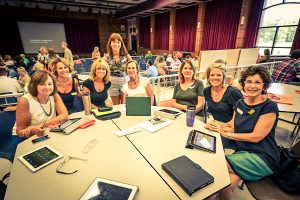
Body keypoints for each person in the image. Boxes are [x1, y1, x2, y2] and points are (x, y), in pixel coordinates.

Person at [207, 66, 280, 200]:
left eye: (257, 82)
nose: (252, 86)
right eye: (249, 82)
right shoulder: (240, 103)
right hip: (242, 152)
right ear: (243, 84)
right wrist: (218, 127)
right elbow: (233, 126)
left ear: (264, 85)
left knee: (215, 164)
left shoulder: (269, 106)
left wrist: (226, 133)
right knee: (225, 185)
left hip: (262, 157)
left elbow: (256, 137)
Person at [15, 70, 68, 137]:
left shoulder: (54, 95)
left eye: (49, 84)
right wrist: (34, 130)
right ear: (34, 85)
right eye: (42, 84)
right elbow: (20, 131)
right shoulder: (24, 100)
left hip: (47, 133)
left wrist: (43, 125)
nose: (47, 87)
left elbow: (64, 115)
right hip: (24, 139)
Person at [203, 62, 243, 148]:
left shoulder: (233, 92)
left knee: (210, 146)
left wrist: (223, 127)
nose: (215, 78)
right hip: (217, 126)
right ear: (208, 77)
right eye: (212, 75)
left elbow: (243, 116)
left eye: (219, 75)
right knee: (201, 141)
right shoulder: (206, 91)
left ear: (223, 77)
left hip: (233, 130)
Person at [103, 33, 132, 105]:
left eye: (118, 42)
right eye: (114, 42)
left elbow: (134, 68)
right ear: (110, 43)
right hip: (112, 82)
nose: (116, 44)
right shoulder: (106, 57)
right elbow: (101, 68)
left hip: (125, 80)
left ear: (121, 44)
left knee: (125, 105)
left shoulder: (126, 56)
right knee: (115, 105)